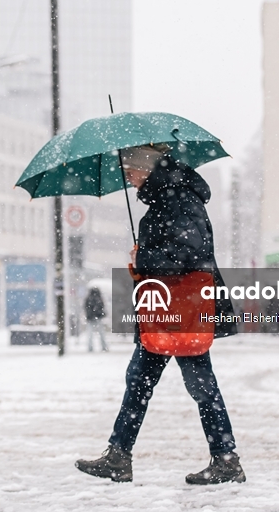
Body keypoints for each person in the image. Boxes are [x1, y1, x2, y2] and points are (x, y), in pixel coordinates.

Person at [75, 144, 245, 485]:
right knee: (141, 380)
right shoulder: (166, 198)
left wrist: (146, 259)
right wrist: (144, 261)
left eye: (130, 171)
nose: (129, 179)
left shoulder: (180, 199)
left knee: (199, 384)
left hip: (181, 310)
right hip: (166, 310)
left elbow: (187, 254)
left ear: (147, 168)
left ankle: (225, 460)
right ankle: (120, 455)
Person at [84, 287, 109, 352]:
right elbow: (102, 307)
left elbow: (86, 308)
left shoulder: (88, 298)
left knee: (90, 335)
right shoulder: (99, 298)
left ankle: (90, 348)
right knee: (101, 334)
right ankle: (104, 347)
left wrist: (89, 315)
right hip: (98, 318)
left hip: (91, 318)